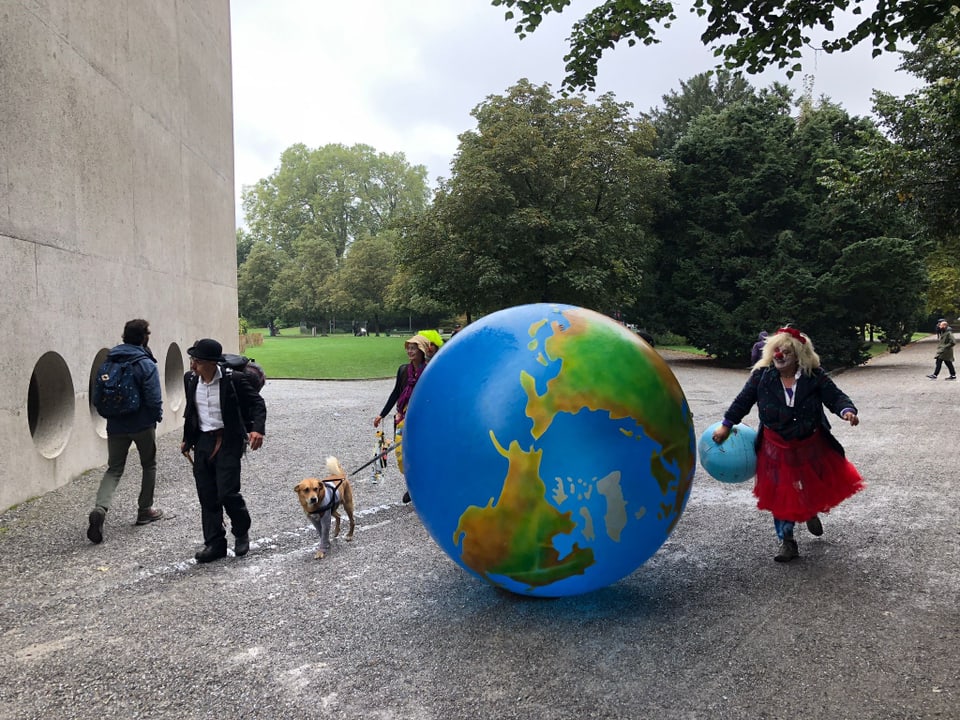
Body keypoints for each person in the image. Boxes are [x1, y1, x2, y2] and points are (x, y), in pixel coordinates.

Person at [711, 326, 864, 563]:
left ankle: (810, 510)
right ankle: (787, 541)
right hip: (776, 445)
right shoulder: (762, 376)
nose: (780, 355)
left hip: (809, 442)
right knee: (781, 491)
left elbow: (835, 396)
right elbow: (743, 401)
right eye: (776, 350)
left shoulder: (814, 375)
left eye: (786, 351)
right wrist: (727, 424)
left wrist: (847, 411)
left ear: (798, 355)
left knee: (812, 483)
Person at [181, 338, 266, 563]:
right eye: (192, 360)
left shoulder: (234, 380)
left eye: (196, 361)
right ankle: (215, 544)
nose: (192, 366)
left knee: (227, 492)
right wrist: (186, 439)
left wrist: (257, 430)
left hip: (228, 440)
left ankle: (241, 531)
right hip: (202, 443)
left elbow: (257, 403)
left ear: (211, 363)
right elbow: (191, 411)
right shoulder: (190, 380)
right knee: (207, 495)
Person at [87, 319, 165, 544]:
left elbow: (96, 397)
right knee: (148, 465)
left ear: (124, 336)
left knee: (114, 469)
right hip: (142, 424)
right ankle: (144, 510)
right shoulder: (145, 363)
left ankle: (100, 509)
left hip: (116, 425)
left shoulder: (109, 361)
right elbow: (153, 397)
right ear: (144, 337)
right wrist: (155, 417)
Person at [374, 334, 431, 503]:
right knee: (403, 456)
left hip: (422, 421)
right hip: (402, 418)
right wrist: (382, 414)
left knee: (419, 455)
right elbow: (396, 393)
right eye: (409, 348)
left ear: (421, 350)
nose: (410, 351)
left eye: (414, 348)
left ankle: (417, 488)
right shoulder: (403, 370)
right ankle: (412, 486)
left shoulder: (429, 371)